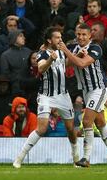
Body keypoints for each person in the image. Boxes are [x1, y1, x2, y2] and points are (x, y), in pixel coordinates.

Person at [13, 27, 79, 169]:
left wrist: (77, 55)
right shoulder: (42, 54)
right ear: (49, 40)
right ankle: (19, 158)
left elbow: (65, 64)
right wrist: (50, 58)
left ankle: (76, 159)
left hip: (63, 95)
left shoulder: (61, 52)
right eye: (57, 38)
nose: (60, 40)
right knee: (42, 128)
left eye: (61, 37)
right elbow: (41, 68)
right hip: (46, 95)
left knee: (70, 129)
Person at [59, 23, 107, 167]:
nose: (81, 37)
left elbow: (81, 64)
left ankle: (86, 158)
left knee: (87, 121)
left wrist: (67, 51)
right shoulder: (75, 48)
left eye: (84, 35)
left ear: (89, 36)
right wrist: (74, 54)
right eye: (78, 34)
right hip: (86, 91)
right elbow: (67, 64)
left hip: (99, 89)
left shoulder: (95, 48)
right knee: (100, 122)